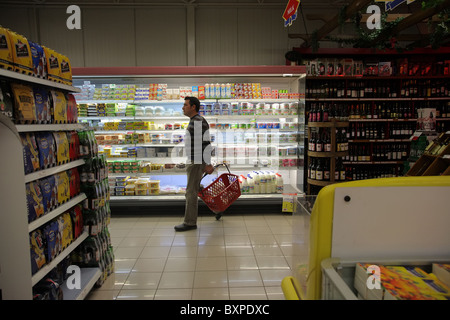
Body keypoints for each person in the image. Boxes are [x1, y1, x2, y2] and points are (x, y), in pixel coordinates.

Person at [174, 96, 214, 231]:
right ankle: (217, 208)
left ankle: (190, 222)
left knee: (191, 192)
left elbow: (205, 144)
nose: (183, 107)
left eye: (185, 105)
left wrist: (207, 163)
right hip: (195, 160)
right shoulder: (195, 120)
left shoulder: (197, 121)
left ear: (193, 107)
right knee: (197, 188)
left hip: (197, 161)